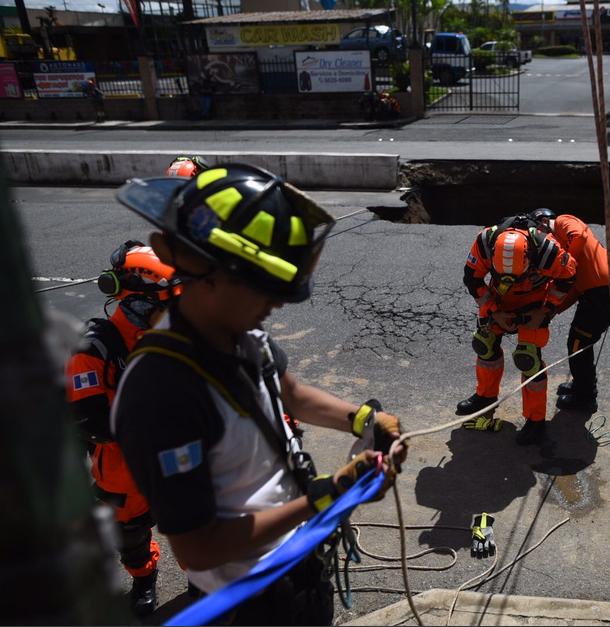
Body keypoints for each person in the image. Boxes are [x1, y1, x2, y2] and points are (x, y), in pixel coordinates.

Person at [110, 164, 407, 624]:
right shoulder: (162, 391)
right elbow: (199, 546)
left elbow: (289, 392)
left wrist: (363, 418)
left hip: (300, 565)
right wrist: (325, 497)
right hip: (248, 602)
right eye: (265, 286)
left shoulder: (241, 335)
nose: (280, 302)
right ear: (205, 271)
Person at [65, 241, 181, 616]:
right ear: (140, 303)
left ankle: (202, 573)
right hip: (121, 466)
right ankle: (144, 578)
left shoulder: (176, 339)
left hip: (175, 455)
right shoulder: (93, 348)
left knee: (190, 517)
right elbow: (90, 420)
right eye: (166, 303)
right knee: (129, 533)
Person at [457, 214, 577, 445]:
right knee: (484, 345)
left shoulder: (547, 250)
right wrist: (493, 311)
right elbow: (472, 279)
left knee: (528, 359)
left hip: (534, 305)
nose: (509, 278)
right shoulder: (485, 241)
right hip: (497, 301)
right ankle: (485, 398)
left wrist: (546, 311)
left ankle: (535, 421)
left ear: (530, 257)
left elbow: (568, 278)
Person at [530, 209, 610, 413]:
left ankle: (586, 397)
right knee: (578, 343)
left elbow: (580, 236)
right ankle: (581, 386)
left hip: (604, 295)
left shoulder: (564, 222)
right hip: (594, 296)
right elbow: (572, 290)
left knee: (579, 344)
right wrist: (552, 311)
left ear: (545, 221)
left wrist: (565, 265)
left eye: (540, 231)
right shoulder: (567, 252)